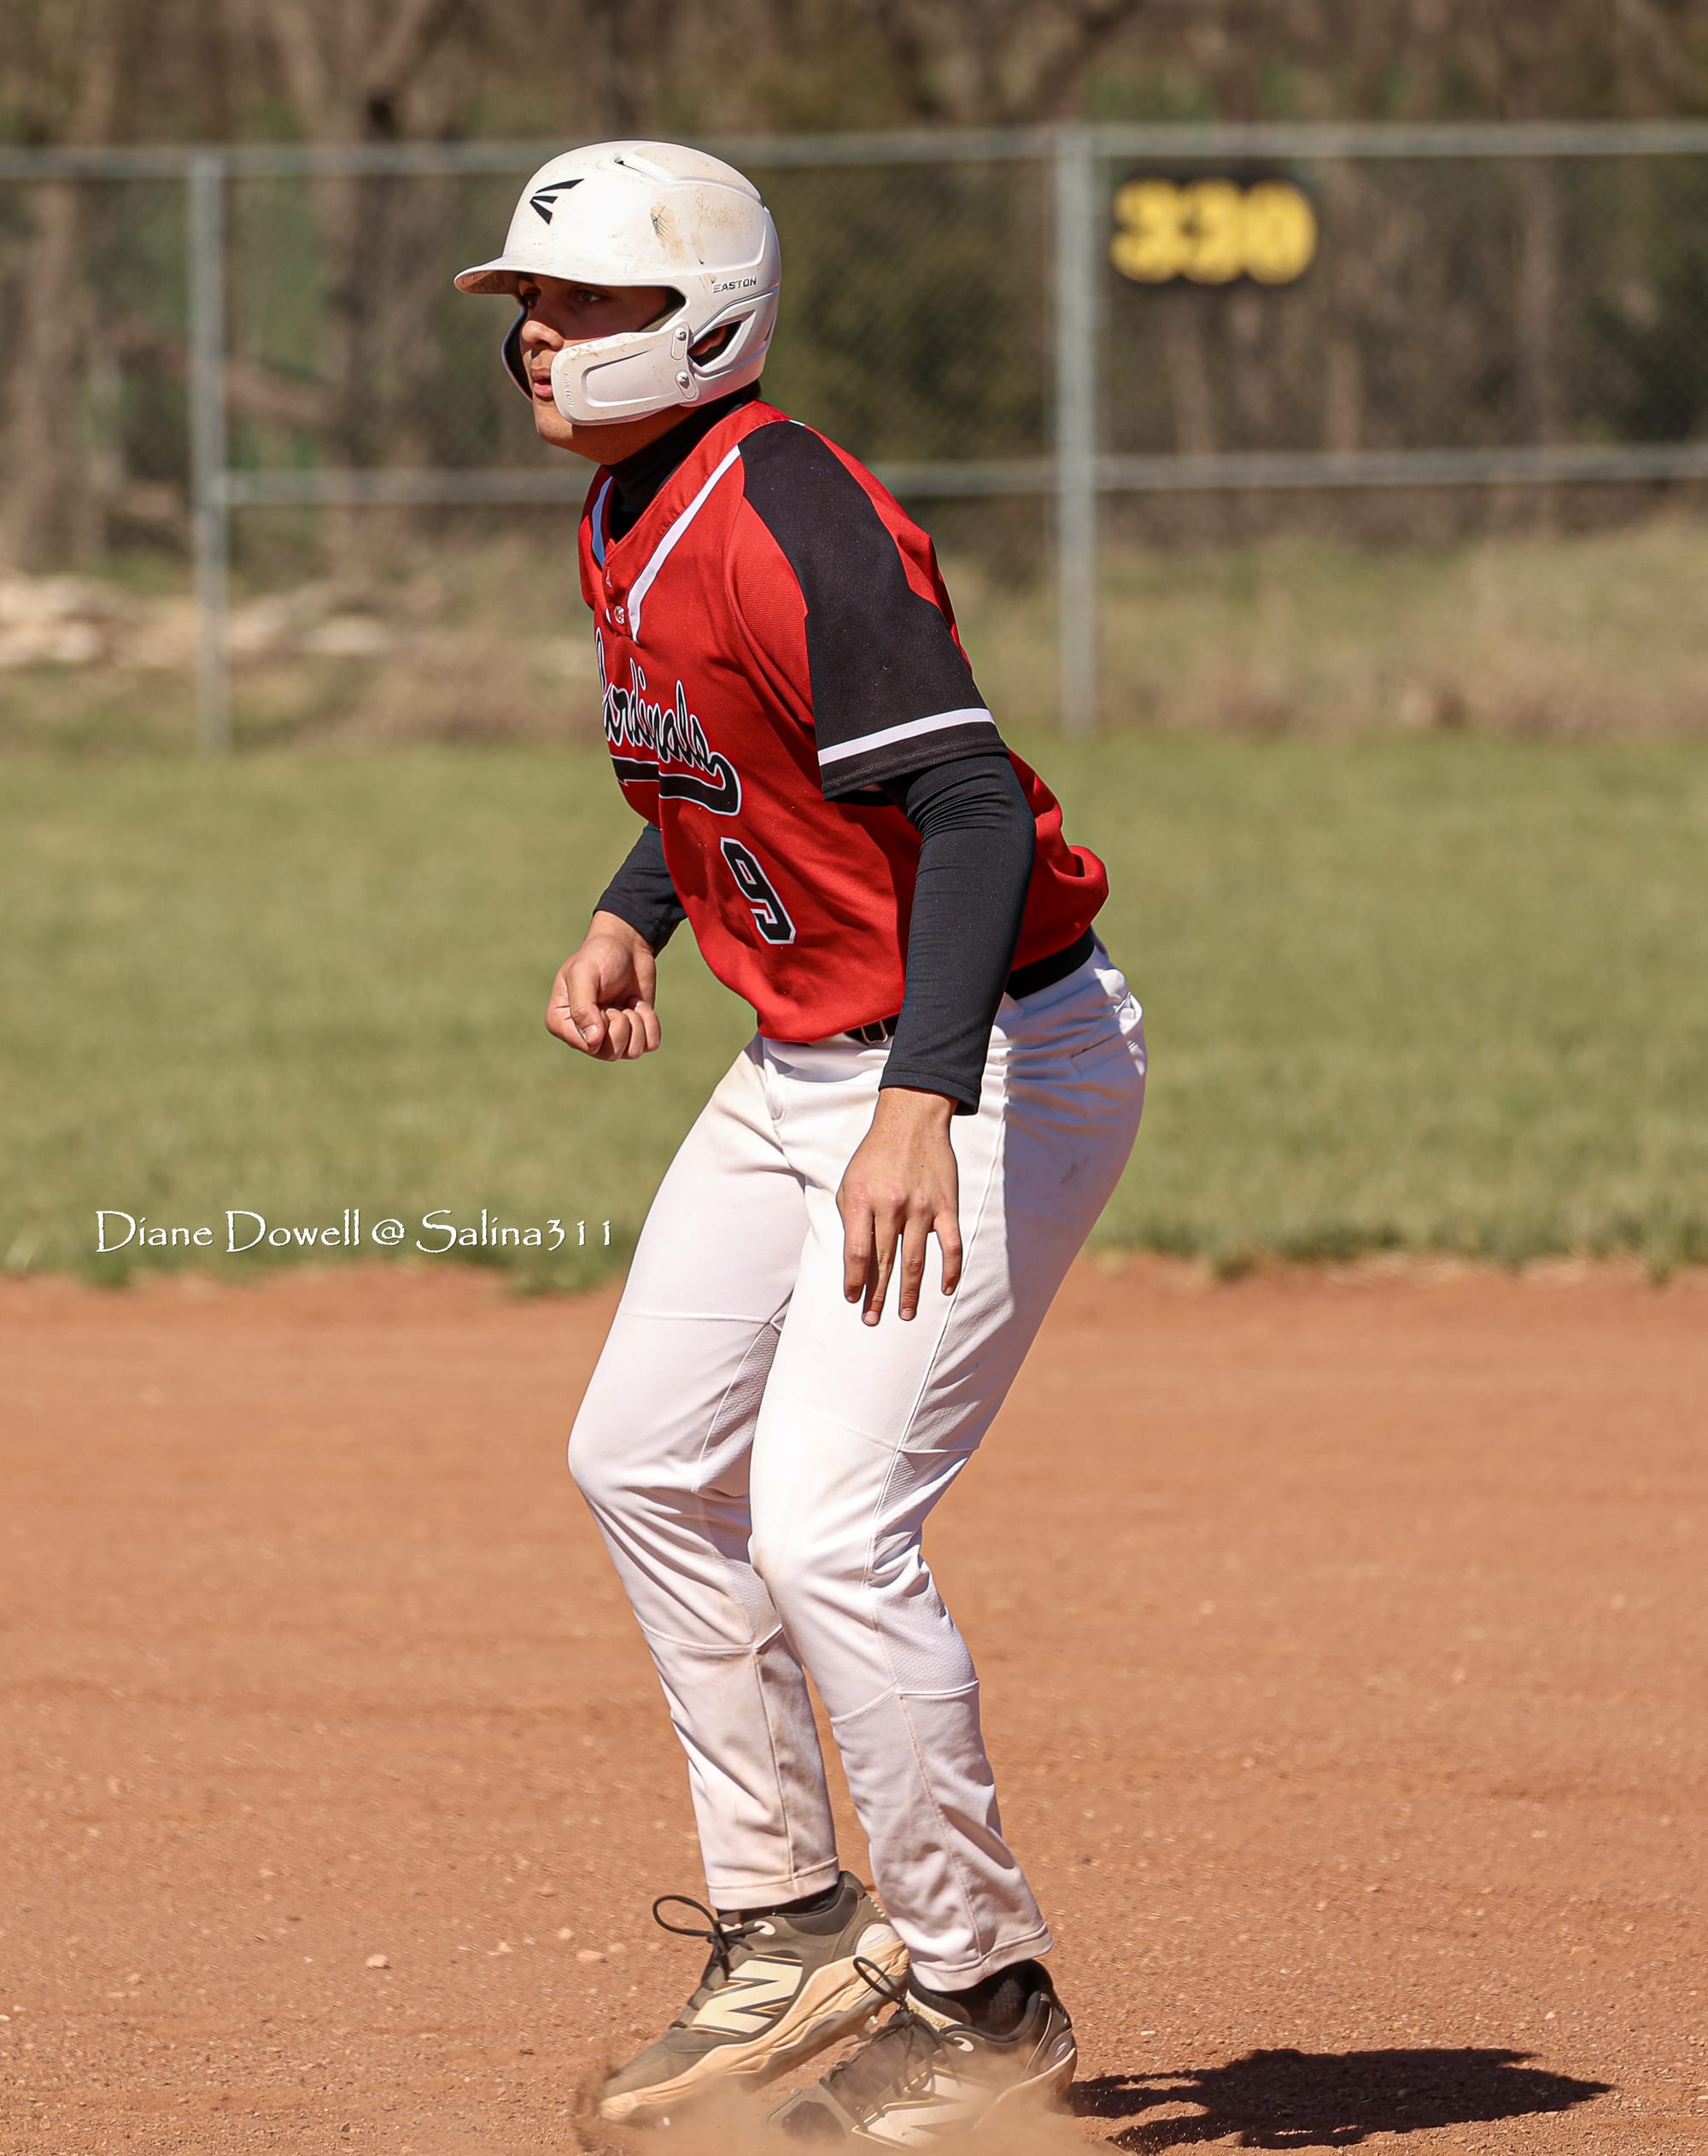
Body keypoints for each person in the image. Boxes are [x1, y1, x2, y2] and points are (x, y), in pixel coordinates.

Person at [454, 140, 1147, 2144]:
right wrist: (635, 912)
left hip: (986, 1055)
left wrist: (923, 1101)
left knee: (829, 1530)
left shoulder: (787, 511)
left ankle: (983, 1989)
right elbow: (734, 770)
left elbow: (969, 807)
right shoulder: (629, 503)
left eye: (582, 303)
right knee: (641, 1460)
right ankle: (785, 1918)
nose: (541, 338)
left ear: (703, 322)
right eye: (530, 305)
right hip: (806, 1063)